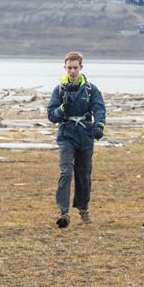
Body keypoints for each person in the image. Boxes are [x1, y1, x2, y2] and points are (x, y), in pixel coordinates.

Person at [46, 51, 106, 227]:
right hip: (66, 135)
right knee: (66, 172)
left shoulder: (90, 89)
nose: (72, 71)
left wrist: (99, 126)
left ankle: (83, 209)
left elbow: (99, 109)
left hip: (86, 136)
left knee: (84, 175)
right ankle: (64, 212)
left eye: (75, 68)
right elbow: (51, 115)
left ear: (81, 67)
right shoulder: (59, 90)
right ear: (64, 68)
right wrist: (62, 109)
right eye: (69, 68)